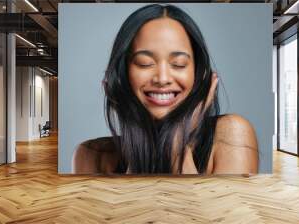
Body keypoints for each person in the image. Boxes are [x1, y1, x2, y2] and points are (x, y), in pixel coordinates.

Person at [72, 4, 258, 175]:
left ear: (199, 74)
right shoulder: (90, 155)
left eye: (178, 64)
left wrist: (177, 148)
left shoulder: (233, 133)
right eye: (144, 63)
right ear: (121, 75)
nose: (162, 79)